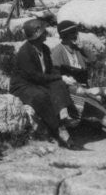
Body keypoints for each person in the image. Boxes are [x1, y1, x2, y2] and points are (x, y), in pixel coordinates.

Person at [51, 20, 106, 144]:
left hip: (83, 89)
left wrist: (83, 49)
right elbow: (55, 75)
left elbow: (94, 62)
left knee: (100, 112)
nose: (76, 35)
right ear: (65, 35)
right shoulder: (58, 52)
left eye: (76, 32)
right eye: (73, 33)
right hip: (69, 92)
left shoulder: (77, 49)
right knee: (96, 111)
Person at [10, 18, 80, 148]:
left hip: (36, 81)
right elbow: (34, 77)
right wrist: (59, 78)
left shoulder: (45, 49)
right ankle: (60, 130)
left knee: (58, 84)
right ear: (37, 34)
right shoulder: (25, 53)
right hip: (22, 86)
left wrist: (61, 77)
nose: (46, 33)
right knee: (41, 96)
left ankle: (64, 115)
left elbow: (50, 70)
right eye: (43, 31)